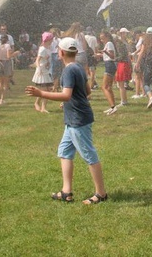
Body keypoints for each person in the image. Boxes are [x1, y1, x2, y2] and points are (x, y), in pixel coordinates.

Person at [25, 37, 108, 205]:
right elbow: (87, 91)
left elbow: (66, 94)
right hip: (73, 118)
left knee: (89, 154)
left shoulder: (69, 70)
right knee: (64, 151)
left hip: (78, 120)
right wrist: (69, 101)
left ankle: (101, 194)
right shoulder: (79, 67)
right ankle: (66, 192)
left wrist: (40, 94)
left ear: (61, 53)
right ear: (76, 52)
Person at [31, 32, 54, 113]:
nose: (52, 41)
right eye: (51, 39)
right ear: (48, 40)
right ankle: (39, 105)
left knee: (47, 90)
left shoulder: (48, 48)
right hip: (42, 71)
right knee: (44, 90)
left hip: (46, 70)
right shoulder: (42, 49)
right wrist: (39, 68)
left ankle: (41, 106)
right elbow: (37, 60)